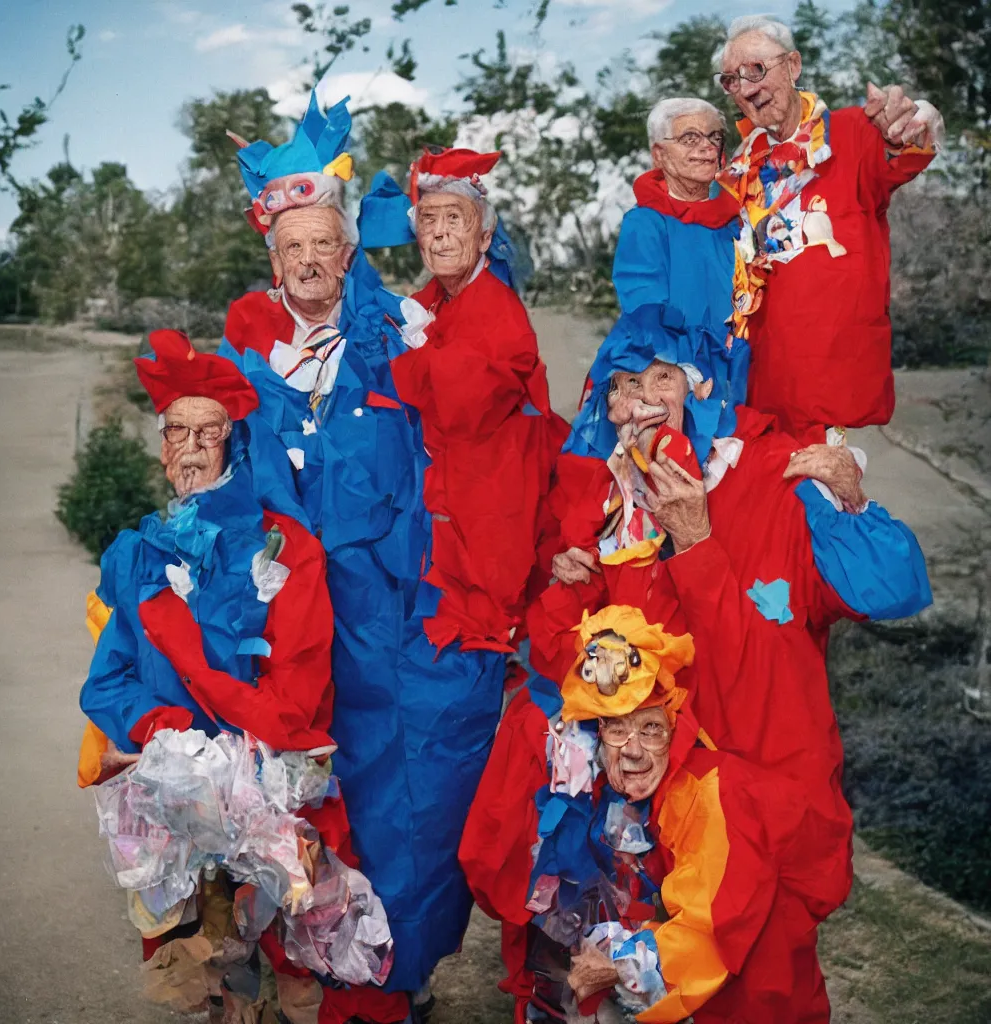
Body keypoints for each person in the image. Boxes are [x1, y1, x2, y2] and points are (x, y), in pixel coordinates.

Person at [532, 306, 932, 1017]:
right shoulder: (616, 502)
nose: (641, 399)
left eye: (661, 377)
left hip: (772, 803)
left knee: (764, 994)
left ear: (700, 386)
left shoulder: (771, 476)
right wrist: (571, 589)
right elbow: (592, 663)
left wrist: (850, 503)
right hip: (661, 806)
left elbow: (895, 587)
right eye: (623, 383)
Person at [220, 98, 525, 1023]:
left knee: (411, 801)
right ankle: (284, 972)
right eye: (292, 248)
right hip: (294, 628)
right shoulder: (245, 352)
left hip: (397, 621)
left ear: (350, 254)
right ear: (273, 261)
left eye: (327, 245)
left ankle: (397, 979)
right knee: (285, 799)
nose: (311, 262)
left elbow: (490, 416)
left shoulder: (400, 331)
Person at [79, 330, 387, 1022]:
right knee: (201, 978)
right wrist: (168, 737)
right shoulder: (134, 555)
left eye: (207, 431)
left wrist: (229, 751)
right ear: (160, 445)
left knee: (278, 975)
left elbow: (298, 695)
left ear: (234, 441)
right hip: (173, 799)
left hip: (268, 796)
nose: (188, 446)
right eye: (175, 430)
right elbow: (105, 683)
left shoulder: (288, 549)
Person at [463, 605, 844, 1022]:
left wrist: (617, 966)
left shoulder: (710, 797)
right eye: (617, 728)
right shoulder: (598, 778)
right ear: (595, 734)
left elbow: (710, 933)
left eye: (650, 728)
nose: (633, 749)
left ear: (675, 725)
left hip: (756, 991)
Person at [361, 145, 568, 651]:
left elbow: (465, 403)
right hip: (444, 509)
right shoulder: (431, 298)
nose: (440, 233)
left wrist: (409, 350)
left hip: (490, 516)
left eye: (456, 218)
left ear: (485, 235)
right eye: (428, 220)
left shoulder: (498, 309)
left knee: (469, 646)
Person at [715, 14, 944, 440]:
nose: (746, 88)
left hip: (832, 392)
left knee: (827, 502)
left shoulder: (854, 132)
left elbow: (910, 143)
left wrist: (919, 118)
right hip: (758, 385)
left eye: (757, 71)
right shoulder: (737, 169)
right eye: (731, 80)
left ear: (794, 65)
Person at [612, 98, 742, 360]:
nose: (707, 147)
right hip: (675, 366)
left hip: (740, 363)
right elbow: (645, 313)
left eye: (714, 137)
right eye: (690, 138)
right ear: (659, 154)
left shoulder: (740, 217)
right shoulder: (646, 224)